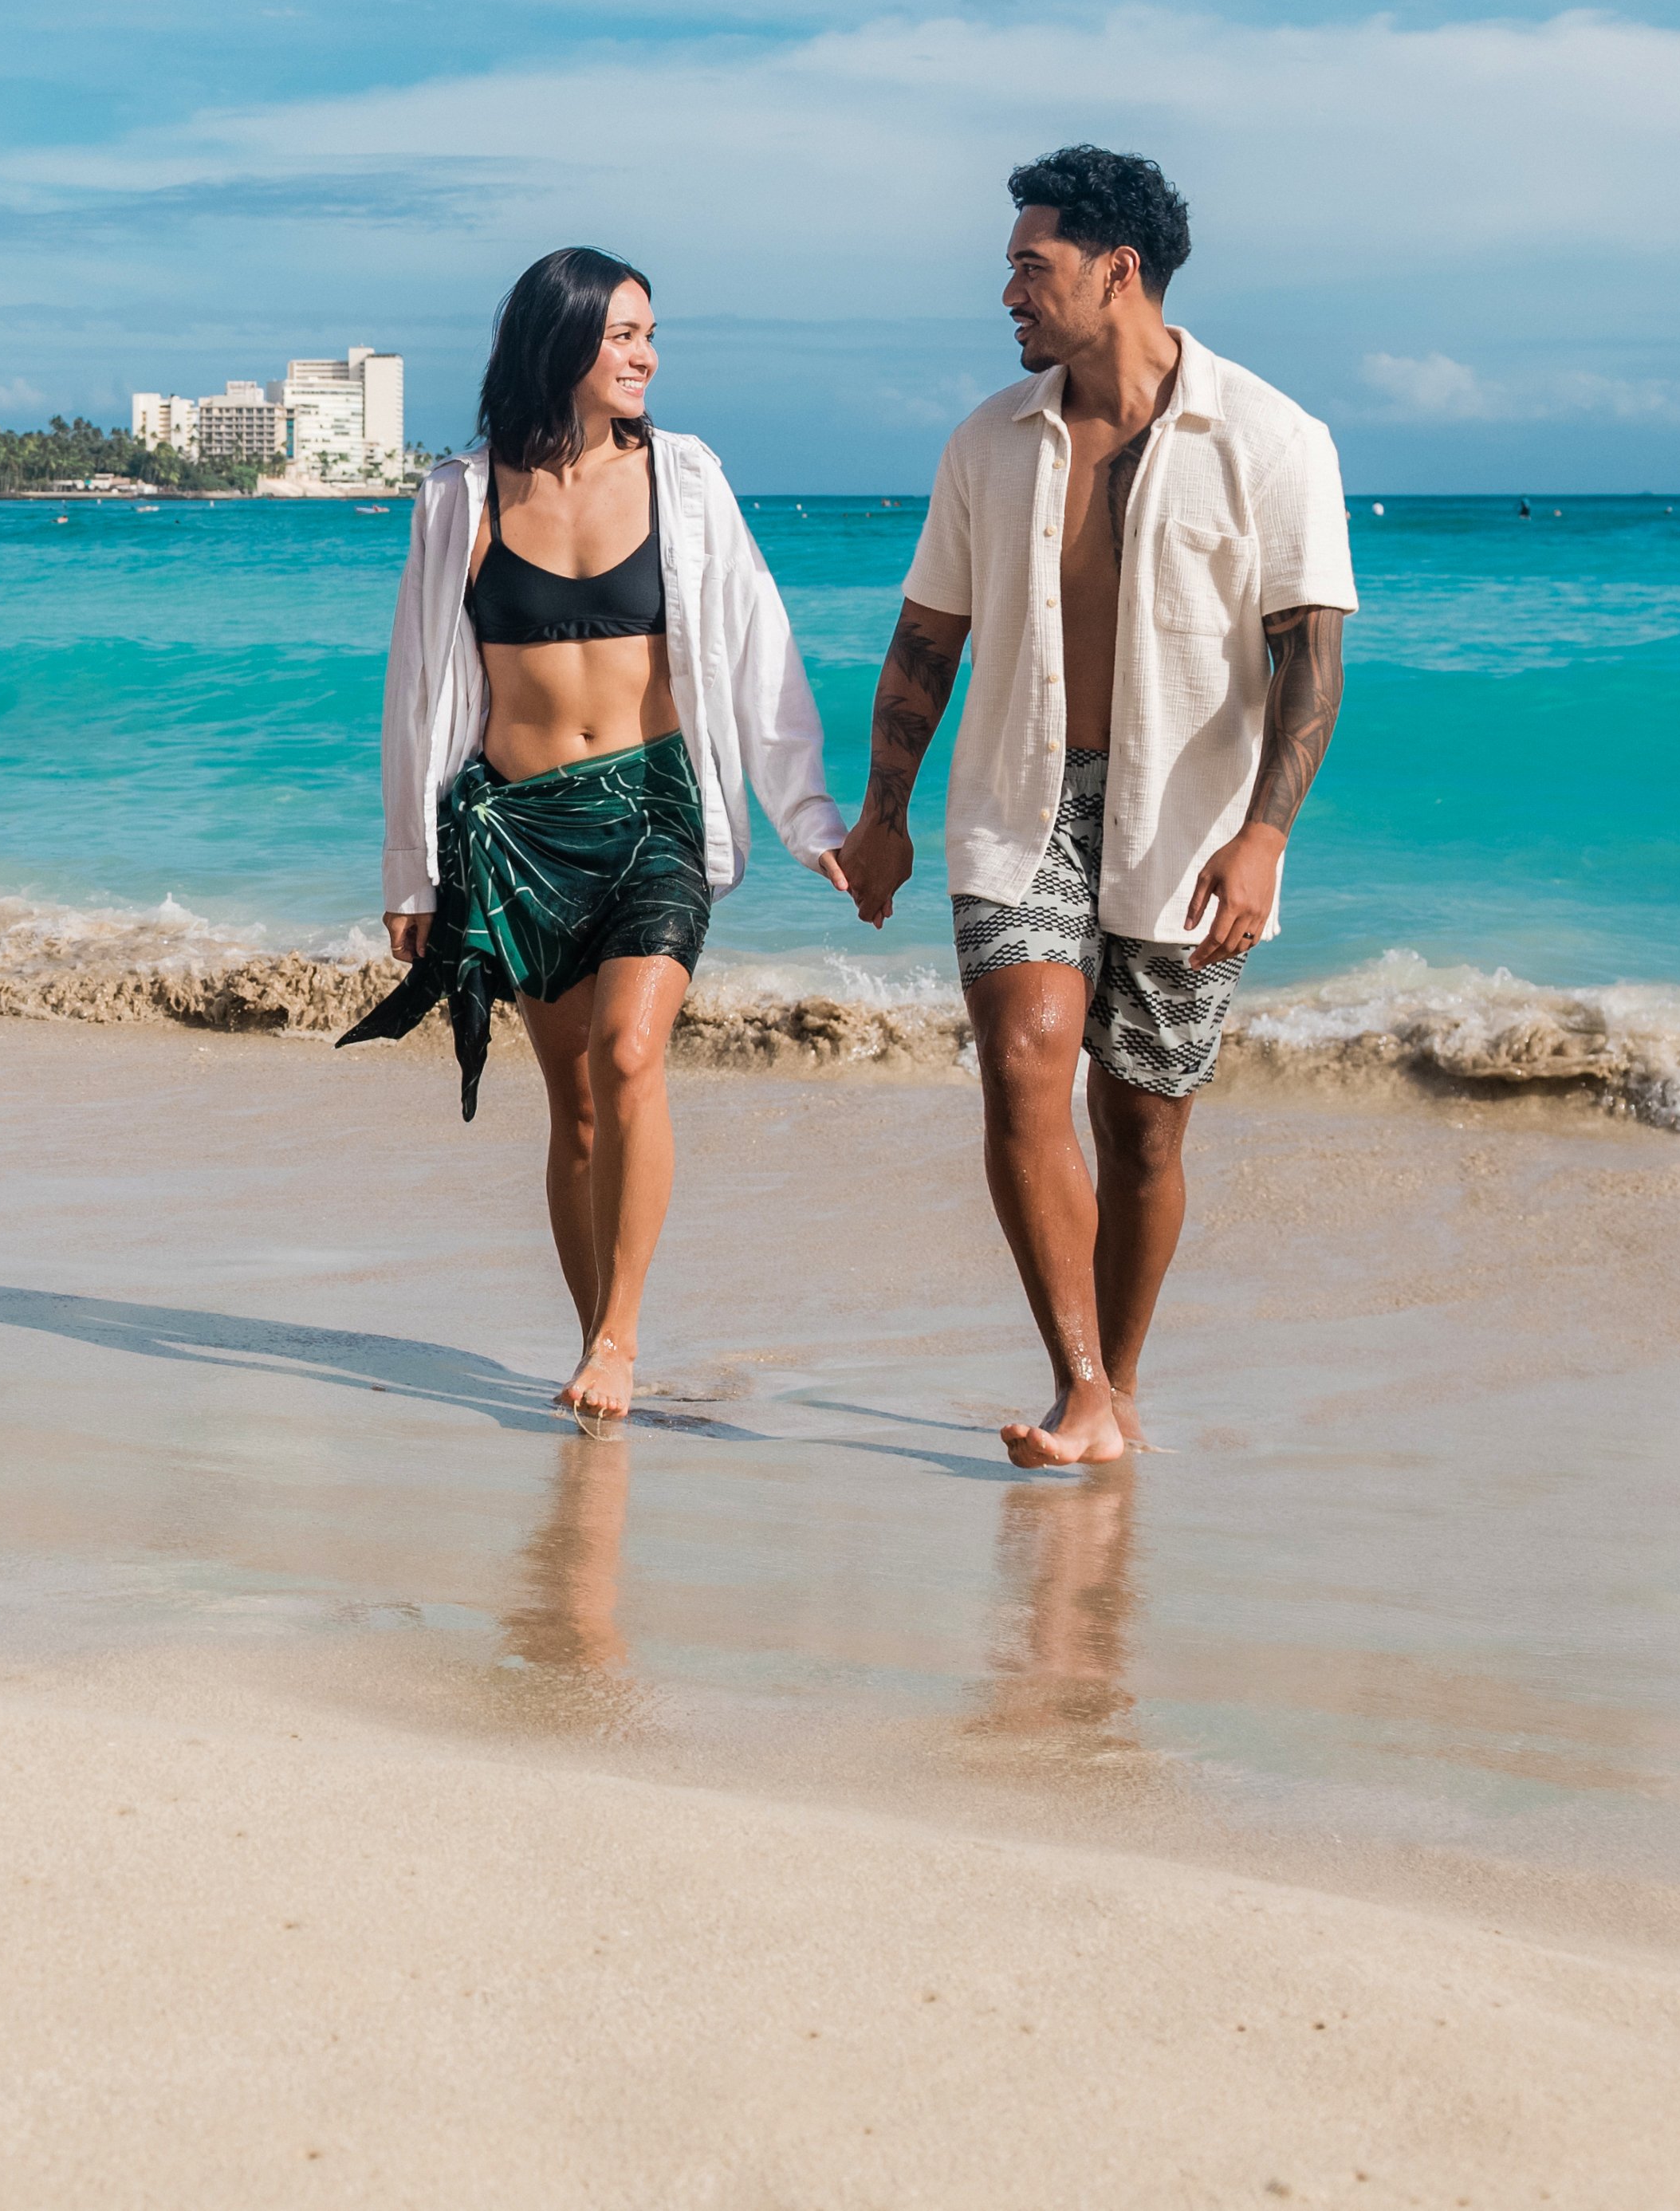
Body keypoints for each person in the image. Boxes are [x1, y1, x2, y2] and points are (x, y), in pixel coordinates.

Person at [838, 147, 1354, 1465]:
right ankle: (1077, 1385)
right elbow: (925, 639)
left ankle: (1116, 1386)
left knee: (1141, 1126)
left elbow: (1311, 658)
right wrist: (885, 806)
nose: (1007, 289)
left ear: (1116, 267)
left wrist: (1264, 837)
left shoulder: (1274, 437)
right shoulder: (988, 441)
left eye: (1031, 263)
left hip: (1189, 827)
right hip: (1020, 802)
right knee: (1023, 1068)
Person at [344, 248, 852, 1421]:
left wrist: (809, 817)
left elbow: (758, 644)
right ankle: (595, 1340)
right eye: (623, 333)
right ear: (559, 339)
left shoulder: (686, 478)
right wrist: (411, 869)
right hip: (517, 830)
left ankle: (619, 1338)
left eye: (649, 334)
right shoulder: (461, 495)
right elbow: (415, 691)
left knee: (630, 1054)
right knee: (572, 1099)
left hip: (653, 814)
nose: (645, 356)